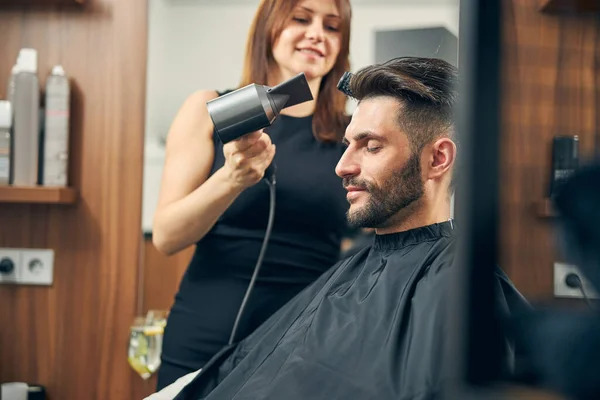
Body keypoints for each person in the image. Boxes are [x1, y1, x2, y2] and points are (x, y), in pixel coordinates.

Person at [146, 57, 530, 400]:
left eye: (371, 146)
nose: (341, 166)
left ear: (438, 159)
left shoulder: (469, 294)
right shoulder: (352, 273)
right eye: (347, 145)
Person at [152, 0, 354, 390]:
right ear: (269, 27)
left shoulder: (351, 135)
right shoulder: (207, 109)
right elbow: (166, 235)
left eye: (332, 27)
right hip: (205, 338)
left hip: (304, 346)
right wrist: (231, 178)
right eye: (301, 18)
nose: (316, 33)